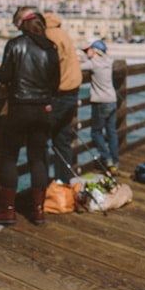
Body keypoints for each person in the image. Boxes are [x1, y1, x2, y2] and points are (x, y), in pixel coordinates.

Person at [0, 7, 60, 226]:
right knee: (38, 158)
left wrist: (0, 70)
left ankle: (7, 210)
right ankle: (38, 210)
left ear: (22, 25)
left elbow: (5, 76)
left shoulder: (15, 45)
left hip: (20, 109)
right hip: (43, 110)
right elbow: (55, 84)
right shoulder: (51, 48)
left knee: (9, 158)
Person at [44, 12, 83, 183]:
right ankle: (63, 183)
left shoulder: (49, 36)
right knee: (63, 140)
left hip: (58, 94)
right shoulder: (64, 34)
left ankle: (43, 188)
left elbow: (49, 66)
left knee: (41, 142)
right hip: (72, 93)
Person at [79, 39, 119, 172]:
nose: (86, 52)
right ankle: (115, 161)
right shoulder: (108, 61)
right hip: (112, 100)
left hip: (101, 102)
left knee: (96, 132)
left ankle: (106, 158)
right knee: (111, 132)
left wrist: (80, 59)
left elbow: (77, 67)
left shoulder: (94, 63)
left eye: (88, 50)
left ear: (95, 51)